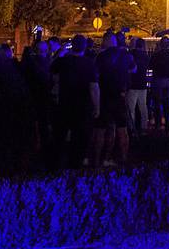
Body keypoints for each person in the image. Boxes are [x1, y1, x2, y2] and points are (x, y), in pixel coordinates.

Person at [51, 35, 99, 167]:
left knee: (61, 135)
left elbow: (52, 69)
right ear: (84, 47)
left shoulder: (64, 61)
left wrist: (61, 51)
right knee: (80, 136)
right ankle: (76, 163)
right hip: (83, 106)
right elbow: (94, 87)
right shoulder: (89, 64)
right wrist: (97, 106)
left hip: (65, 103)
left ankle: (57, 163)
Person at [96, 33, 132, 165]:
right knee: (122, 129)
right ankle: (124, 158)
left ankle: (101, 158)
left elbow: (96, 74)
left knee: (102, 129)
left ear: (105, 41)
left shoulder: (101, 56)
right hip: (120, 95)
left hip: (104, 96)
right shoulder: (125, 54)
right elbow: (133, 69)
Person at [149, 37, 169, 131]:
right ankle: (168, 124)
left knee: (157, 103)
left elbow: (150, 65)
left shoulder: (157, 54)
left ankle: (158, 124)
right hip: (168, 80)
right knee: (166, 102)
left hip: (159, 80)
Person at [126, 37, 150, 134]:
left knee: (131, 108)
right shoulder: (146, 56)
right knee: (143, 107)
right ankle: (144, 127)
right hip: (142, 84)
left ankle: (131, 128)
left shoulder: (131, 54)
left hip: (133, 84)